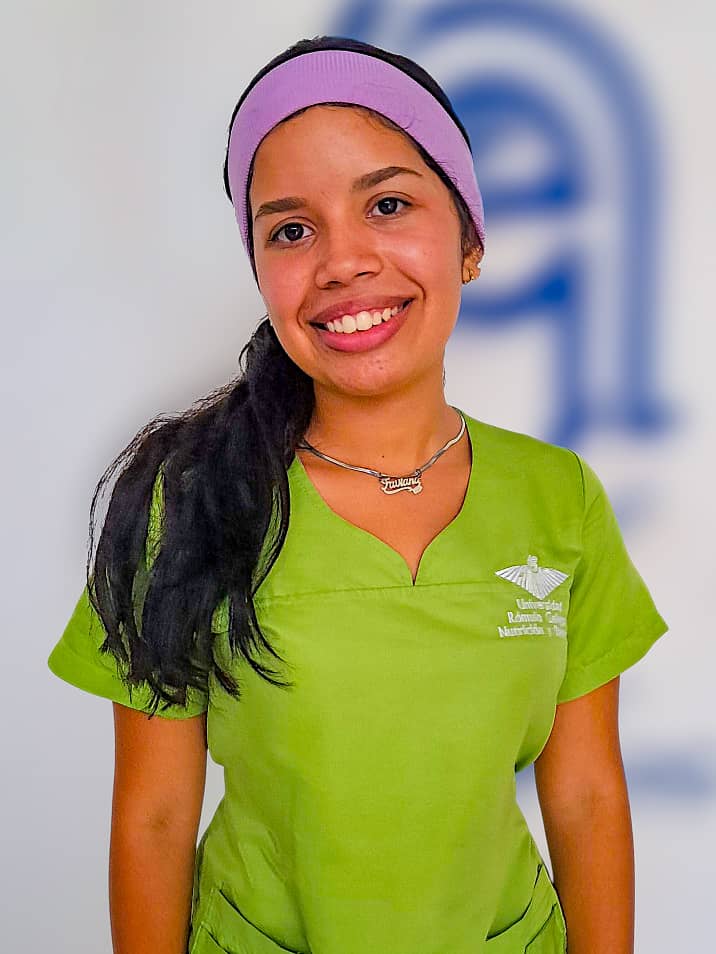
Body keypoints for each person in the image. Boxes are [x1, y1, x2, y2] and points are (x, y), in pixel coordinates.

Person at [47, 35, 669, 954]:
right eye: (291, 230)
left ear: (470, 242)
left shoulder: (558, 496)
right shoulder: (191, 506)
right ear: (262, 270)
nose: (342, 261)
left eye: (387, 204)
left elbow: (584, 796)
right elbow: (154, 818)